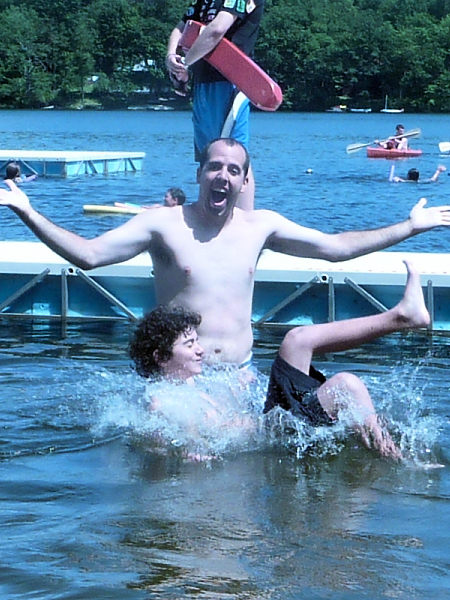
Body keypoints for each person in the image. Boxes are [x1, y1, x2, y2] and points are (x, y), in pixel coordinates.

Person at [1, 137, 449, 365]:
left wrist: (410, 227)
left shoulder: (261, 226)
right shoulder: (163, 224)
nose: (223, 176)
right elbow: (89, 255)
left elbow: (336, 248)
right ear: (199, 174)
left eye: (233, 170)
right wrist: (28, 212)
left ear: (243, 181)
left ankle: (401, 317)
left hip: (239, 375)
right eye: (214, 166)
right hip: (178, 377)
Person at [129, 260, 430, 458]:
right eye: (189, 344)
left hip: (274, 420)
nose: (200, 350)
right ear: (161, 357)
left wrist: (239, 385)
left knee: (298, 340)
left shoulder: (195, 382)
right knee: (346, 385)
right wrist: (187, 454)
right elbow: (163, 441)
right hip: (280, 438)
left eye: (197, 341)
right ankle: (395, 457)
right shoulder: (161, 401)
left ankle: (403, 316)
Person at [166, 0, 264, 209]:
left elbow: (217, 29)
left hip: (231, 81)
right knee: (208, 155)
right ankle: (210, 215)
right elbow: (182, 27)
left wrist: (186, 62)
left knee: (234, 155)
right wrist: (171, 56)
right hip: (203, 83)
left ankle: (244, 217)